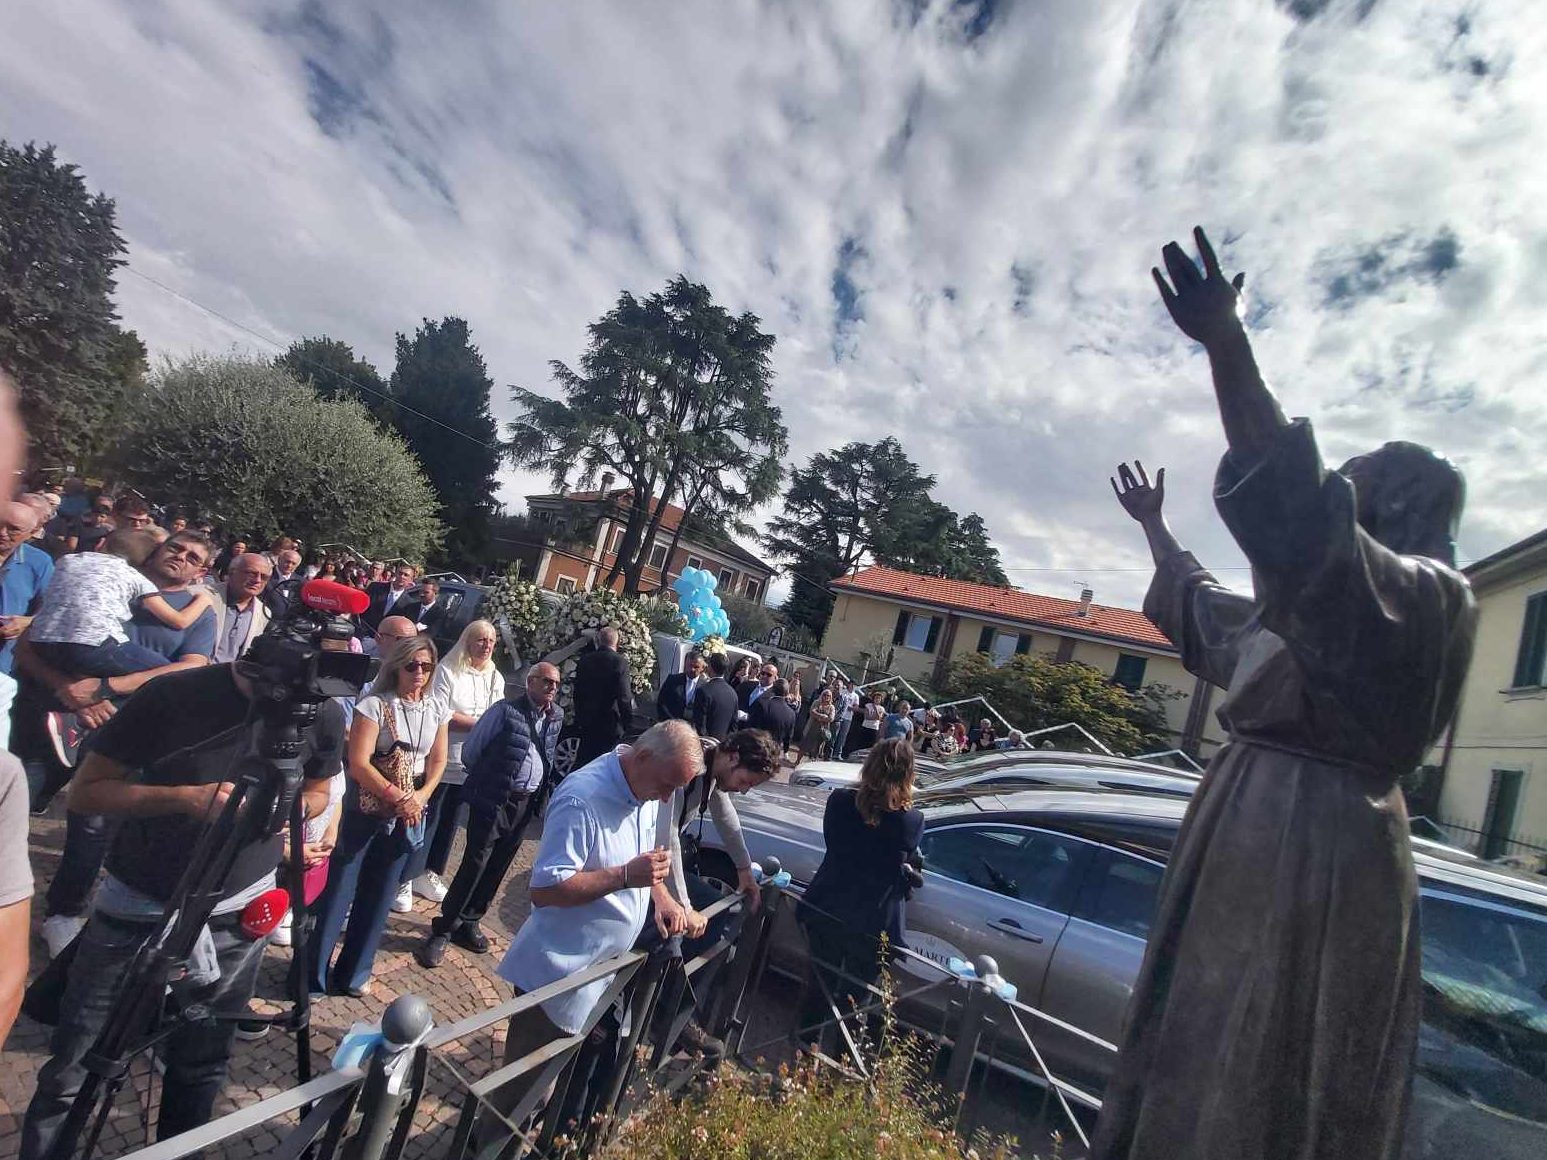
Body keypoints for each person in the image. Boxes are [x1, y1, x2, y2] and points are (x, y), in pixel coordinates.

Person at [1089, 229, 1477, 1160]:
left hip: (1318, 848)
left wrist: (1226, 343)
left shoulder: (1424, 604)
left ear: (1396, 513)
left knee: (1257, 1066)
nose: (1343, 474)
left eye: (1361, 477)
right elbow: (1202, 614)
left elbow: (1300, 513)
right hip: (1250, 821)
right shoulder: (1311, 619)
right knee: (1190, 1048)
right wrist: (1153, 527)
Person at [19, 656, 345, 1159]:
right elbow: (86, 793)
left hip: (239, 916)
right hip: (139, 909)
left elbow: (321, 790)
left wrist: (290, 808)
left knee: (202, 1065)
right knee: (77, 1064)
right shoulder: (171, 695)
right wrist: (186, 798)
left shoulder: (319, 710)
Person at [493, 720, 699, 1109]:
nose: (669, 797)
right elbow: (545, 890)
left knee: (560, 1092)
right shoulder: (582, 798)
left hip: (602, 975)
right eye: (668, 784)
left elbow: (633, 859)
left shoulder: (644, 788)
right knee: (519, 1099)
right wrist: (624, 876)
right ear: (642, 757)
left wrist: (660, 894)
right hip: (558, 978)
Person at [307, 635, 451, 998]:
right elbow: (358, 762)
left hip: (410, 807)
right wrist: (395, 796)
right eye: (412, 665)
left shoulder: (436, 708)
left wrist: (420, 796)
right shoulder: (374, 705)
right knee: (341, 890)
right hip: (369, 804)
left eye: (426, 666)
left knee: (381, 894)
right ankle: (313, 975)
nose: (419, 673)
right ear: (397, 667)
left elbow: (438, 760)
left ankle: (355, 972)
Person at [643, 727, 783, 1054]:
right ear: (733, 757)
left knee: (715, 915)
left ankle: (671, 1005)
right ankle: (662, 1009)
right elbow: (669, 837)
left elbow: (727, 819)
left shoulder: (715, 768)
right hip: (645, 862)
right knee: (682, 927)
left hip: (657, 861)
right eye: (746, 782)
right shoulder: (694, 766)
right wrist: (685, 904)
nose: (744, 791)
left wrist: (744, 870)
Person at [415, 661, 563, 968]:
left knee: (499, 864)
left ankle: (471, 920)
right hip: (494, 797)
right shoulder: (505, 711)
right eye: (546, 681)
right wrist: (490, 780)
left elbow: (548, 753)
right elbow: (472, 750)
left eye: (556, 684)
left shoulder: (556, 717)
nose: (551, 688)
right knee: (475, 861)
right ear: (530, 682)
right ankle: (445, 927)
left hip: (525, 804)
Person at [795, 739, 924, 1050]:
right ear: (908, 774)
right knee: (858, 997)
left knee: (818, 987)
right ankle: (841, 1065)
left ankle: (804, 1053)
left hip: (829, 905)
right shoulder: (911, 821)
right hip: (873, 920)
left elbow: (834, 845)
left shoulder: (840, 801)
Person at [27, 529, 214, 680]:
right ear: (157, 551)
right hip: (54, 686)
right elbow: (27, 637)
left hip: (123, 709)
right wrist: (64, 687)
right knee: (164, 675)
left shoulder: (73, 561)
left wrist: (104, 689)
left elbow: (191, 665)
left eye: (192, 558)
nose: (180, 557)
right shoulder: (125, 580)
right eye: (175, 548)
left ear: (200, 573)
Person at [406, 619, 503, 906]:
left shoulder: (494, 676)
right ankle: (408, 872)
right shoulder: (447, 671)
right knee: (427, 816)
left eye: (491, 642)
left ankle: (431, 871)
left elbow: (498, 711)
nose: (486, 646)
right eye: (480, 640)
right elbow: (442, 712)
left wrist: (483, 726)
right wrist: (482, 724)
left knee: (450, 822)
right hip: (442, 757)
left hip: (471, 764)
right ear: (467, 641)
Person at [0, 497, 51, 749]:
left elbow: (50, 610)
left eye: (13, 529)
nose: (3, 533)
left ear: (32, 533)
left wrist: (26, 621)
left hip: (4, 668)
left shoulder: (39, 563)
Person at [571, 625, 634, 767]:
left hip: (587, 722)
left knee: (584, 764)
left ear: (598, 641)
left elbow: (577, 692)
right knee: (603, 766)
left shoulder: (585, 660)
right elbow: (624, 697)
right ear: (617, 642)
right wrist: (627, 724)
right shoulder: (620, 662)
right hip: (609, 724)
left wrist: (579, 718)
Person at [205, 552, 276, 665]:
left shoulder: (264, 612)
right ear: (232, 572)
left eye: (264, 577)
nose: (257, 580)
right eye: (251, 573)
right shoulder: (202, 596)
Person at [691, 651, 740, 743]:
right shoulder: (733, 694)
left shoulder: (704, 691)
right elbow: (734, 726)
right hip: (722, 745)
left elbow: (700, 723)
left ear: (710, 667)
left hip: (705, 745)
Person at [359, 562, 418, 636]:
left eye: (406, 575)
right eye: (400, 573)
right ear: (396, 574)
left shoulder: (409, 603)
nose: (402, 576)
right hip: (364, 634)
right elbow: (361, 608)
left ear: (411, 580)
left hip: (386, 640)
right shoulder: (375, 587)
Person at [655, 650, 704, 722]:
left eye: (696, 667)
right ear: (685, 665)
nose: (692, 669)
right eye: (689, 665)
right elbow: (661, 703)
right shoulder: (673, 680)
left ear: (702, 668)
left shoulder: (705, 686)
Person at [794, 687, 835, 765]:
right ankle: (797, 761)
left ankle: (812, 764)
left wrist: (819, 717)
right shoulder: (816, 702)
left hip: (822, 731)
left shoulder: (831, 707)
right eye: (825, 695)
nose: (826, 697)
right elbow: (812, 712)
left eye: (828, 696)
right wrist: (823, 716)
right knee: (804, 746)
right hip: (811, 728)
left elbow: (831, 718)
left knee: (816, 749)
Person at [831, 679, 860, 760]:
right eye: (852, 684)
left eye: (854, 685)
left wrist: (848, 706)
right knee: (834, 735)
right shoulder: (843, 692)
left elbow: (856, 708)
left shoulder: (855, 696)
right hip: (839, 716)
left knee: (842, 736)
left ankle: (838, 753)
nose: (853, 686)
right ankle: (830, 751)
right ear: (849, 684)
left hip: (848, 718)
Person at [855, 690, 885, 755]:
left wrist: (876, 708)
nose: (877, 699)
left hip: (874, 728)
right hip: (866, 726)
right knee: (861, 741)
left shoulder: (881, 708)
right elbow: (866, 717)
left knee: (870, 743)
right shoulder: (868, 705)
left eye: (879, 698)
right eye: (876, 698)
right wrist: (874, 717)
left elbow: (879, 718)